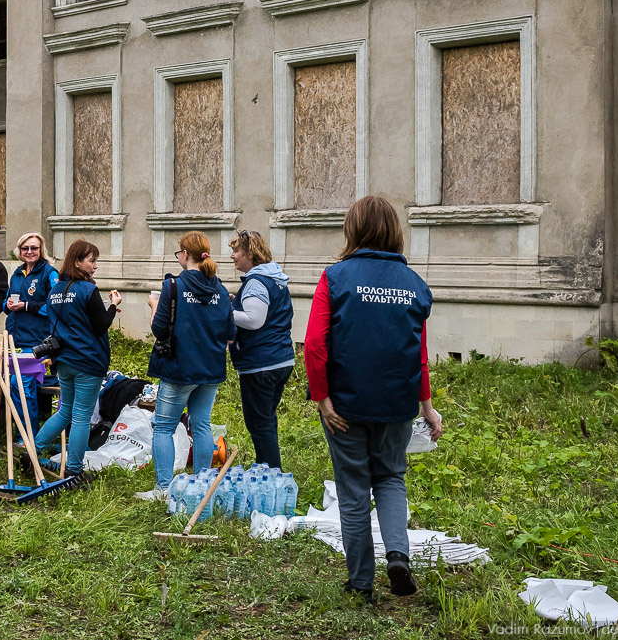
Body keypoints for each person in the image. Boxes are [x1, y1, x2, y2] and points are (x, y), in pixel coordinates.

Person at [306, 195, 443, 602]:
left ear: (353, 229)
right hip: (398, 405)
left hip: (346, 405)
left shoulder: (335, 277)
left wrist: (321, 397)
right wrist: (427, 407)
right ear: (394, 232)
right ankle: (398, 557)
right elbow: (418, 353)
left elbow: (315, 344)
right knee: (390, 478)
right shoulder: (416, 286)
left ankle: (361, 584)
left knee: (353, 491)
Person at [137, 231, 234, 501]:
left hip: (180, 367)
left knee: (164, 427)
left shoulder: (174, 287)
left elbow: (159, 329)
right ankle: (202, 485)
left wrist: (154, 304)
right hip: (211, 368)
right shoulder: (221, 288)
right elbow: (230, 332)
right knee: (201, 425)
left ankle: (164, 489)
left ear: (184, 255)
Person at [31, 239, 121, 476]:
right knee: (81, 416)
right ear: (78, 262)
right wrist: (112, 305)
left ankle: (33, 450)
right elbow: (101, 325)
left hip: (64, 360)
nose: (95, 266)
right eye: (92, 261)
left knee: (65, 411)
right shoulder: (87, 289)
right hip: (87, 360)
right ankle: (74, 469)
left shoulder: (56, 290)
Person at [229, 230, 295, 467]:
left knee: (259, 423)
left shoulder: (256, 281)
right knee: (266, 419)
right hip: (281, 359)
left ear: (249, 253)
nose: (232, 256)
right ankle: (263, 468)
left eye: (236, 251)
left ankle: (271, 475)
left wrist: (225, 313)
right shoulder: (274, 278)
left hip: (261, 363)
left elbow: (254, 319)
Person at [4, 231, 59, 427]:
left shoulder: (49, 273)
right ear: (19, 251)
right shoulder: (17, 273)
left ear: (41, 249)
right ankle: (28, 429)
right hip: (15, 341)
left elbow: (54, 307)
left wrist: (27, 306)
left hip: (37, 343)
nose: (29, 252)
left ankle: (27, 437)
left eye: (33, 248)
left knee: (19, 384)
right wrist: (7, 304)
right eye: (25, 248)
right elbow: (8, 299)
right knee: (11, 384)